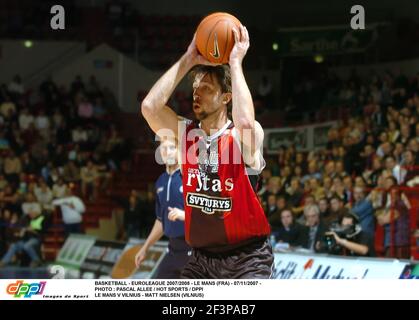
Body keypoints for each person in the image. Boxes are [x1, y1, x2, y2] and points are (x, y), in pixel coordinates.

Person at [141, 26, 273, 278]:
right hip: (202, 259)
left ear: (226, 98)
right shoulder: (186, 134)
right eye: (195, 89)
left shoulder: (239, 135)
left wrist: (235, 62)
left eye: (207, 89)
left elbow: (245, 122)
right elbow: (149, 107)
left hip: (247, 258)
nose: (197, 94)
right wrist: (188, 59)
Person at [135, 138, 190, 278]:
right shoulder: (161, 181)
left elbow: (208, 215)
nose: (168, 152)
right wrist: (145, 248)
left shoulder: (191, 177)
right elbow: (160, 220)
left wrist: (184, 215)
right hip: (172, 249)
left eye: (172, 148)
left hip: (194, 249)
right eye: (164, 149)